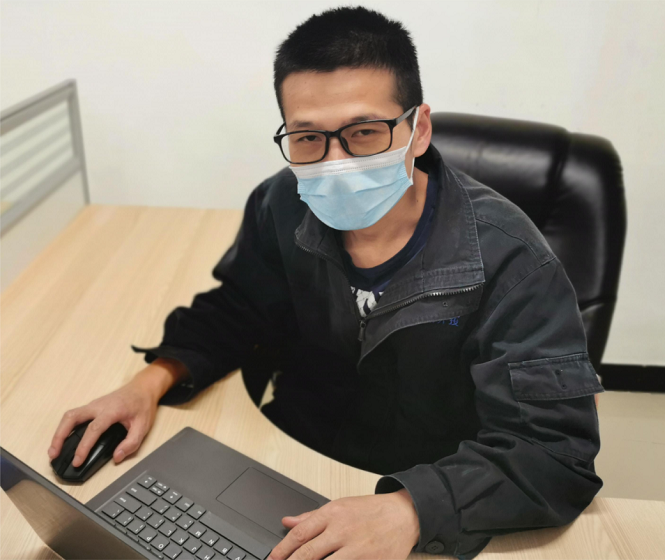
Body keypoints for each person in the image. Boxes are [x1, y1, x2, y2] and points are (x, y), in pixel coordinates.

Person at [48, 6, 605, 559]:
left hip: (425, 496)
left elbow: (553, 452)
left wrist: (411, 509)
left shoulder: (512, 261)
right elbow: (239, 307)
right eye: (308, 138)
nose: (335, 162)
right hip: (290, 465)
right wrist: (147, 384)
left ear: (418, 129)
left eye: (364, 132)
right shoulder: (282, 202)